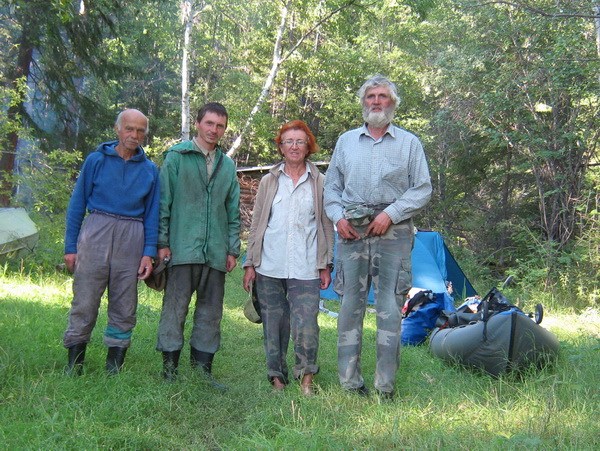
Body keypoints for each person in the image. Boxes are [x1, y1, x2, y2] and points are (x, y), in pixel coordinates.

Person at [324, 74, 432, 399]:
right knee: (349, 306)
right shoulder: (345, 142)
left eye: (382, 96)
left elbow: (423, 188)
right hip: (351, 230)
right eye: (370, 96)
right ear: (363, 102)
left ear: (393, 103)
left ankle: (385, 387)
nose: (376, 101)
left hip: (394, 232)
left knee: (389, 306)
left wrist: (391, 214)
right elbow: (331, 187)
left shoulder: (410, 143)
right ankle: (350, 383)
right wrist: (337, 217)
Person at [63, 108, 160, 376]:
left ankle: (114, 366)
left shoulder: (151, 170)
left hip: (132, 235)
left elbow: (153, 214)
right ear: (117, 129)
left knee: (124, 302)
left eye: (140, 130)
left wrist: (148, 253)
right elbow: (77, 205)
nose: (134, 135)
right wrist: (70, 247)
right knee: (85, 298)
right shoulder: (96, 161)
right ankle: (75, 362)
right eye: (129, 128)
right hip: (96, 230)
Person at [243, 120, 334, 396]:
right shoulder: (270, 181)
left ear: (309, 146)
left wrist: (326, 263)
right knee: (274, 324)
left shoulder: (320, 182)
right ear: (281, 147)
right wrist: (250, 262)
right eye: (288, 142)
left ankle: (306, 377)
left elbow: (326, 224)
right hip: (269, 265)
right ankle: (277, 378)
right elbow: (257, 222)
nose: (294, 146)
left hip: (306, 265)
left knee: (307, 323)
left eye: (300, 141)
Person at [156, 102, 240, 388]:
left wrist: (232, 249)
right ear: (198, 123)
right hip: (182, 248)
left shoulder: (227, 166)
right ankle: (169, 370)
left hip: (215, 251)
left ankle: (203, 370)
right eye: (210, 123)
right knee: (175, 308)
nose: (214, 130)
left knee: (211, 311)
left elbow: (233, 210)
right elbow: (163, 202)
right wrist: (162, 242)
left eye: (220, 126)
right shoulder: (176, 157)